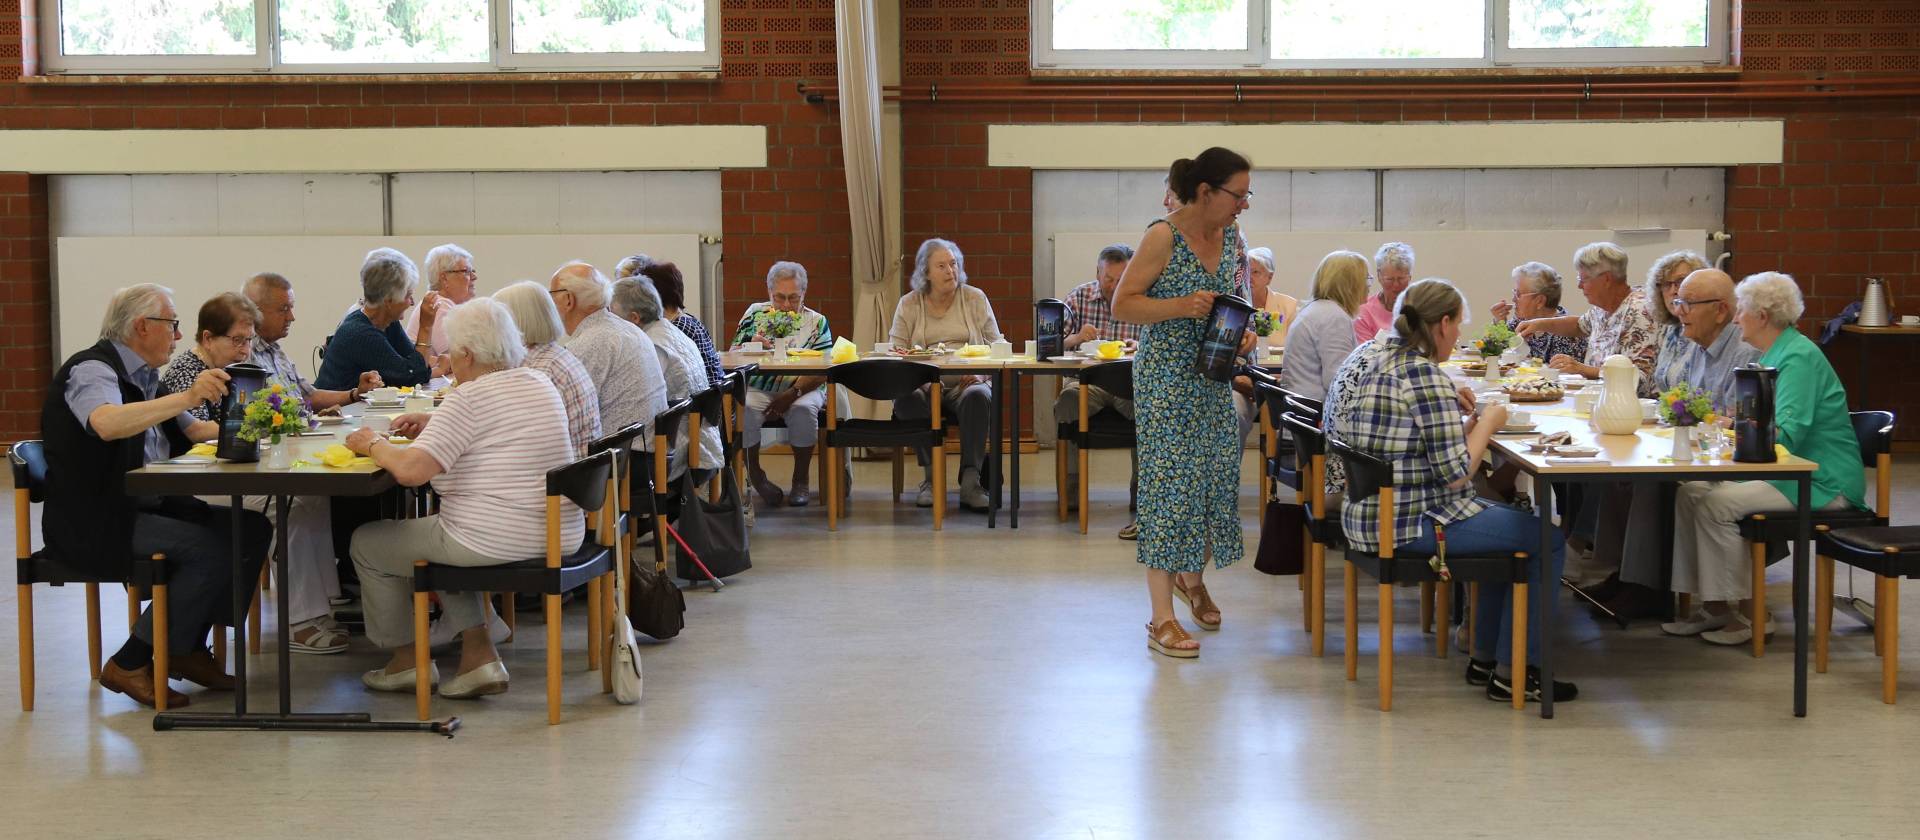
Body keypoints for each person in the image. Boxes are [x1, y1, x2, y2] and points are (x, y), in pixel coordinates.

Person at [1327, 279, 1575, 703]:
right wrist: (1488, 424)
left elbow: (1415, 445)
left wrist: (1466, 426)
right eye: (1458, 324)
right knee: (1546, 539)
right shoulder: (1425, 377)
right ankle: (1519, 671)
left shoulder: (1383, 359)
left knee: (1512, 532)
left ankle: (1487, 659)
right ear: (1442, 324)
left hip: (1372, 513)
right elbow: (1458, 474)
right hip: (1410, 523)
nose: (1459, 334)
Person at [43, 283, 271, 707]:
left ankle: (186, 647)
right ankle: (130, 661)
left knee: (252, 528)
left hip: (148, 505)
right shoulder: (93, 370)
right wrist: (188, 395)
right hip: (97, 518)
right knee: (209, 549)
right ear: (142, 326)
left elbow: (193, 429)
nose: (179, 335)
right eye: (172, 325)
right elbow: (107, 423)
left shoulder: (145, 376)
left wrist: (268, 427)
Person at [347, 298, 580, 699]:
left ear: (467, 354)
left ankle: (406, 662)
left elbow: (411, 472)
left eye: (451, 351)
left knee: (368, 544)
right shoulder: (537, 381)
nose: (447, 359)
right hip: (559, 533)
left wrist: (372, 444)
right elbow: (496, 426)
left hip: (495, 538)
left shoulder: (467, 398)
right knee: (445, 531)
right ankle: (478, 657)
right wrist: (435, 422)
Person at [1663, 272, 1865, 645]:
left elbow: (1787, 434)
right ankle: (1715, 607)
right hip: (1786, 471)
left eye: (1741, 310)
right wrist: (1733, 426)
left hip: (1822, 480)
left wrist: (1731, 425)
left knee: (1717, 503)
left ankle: (1750, 616)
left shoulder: (1798, 357)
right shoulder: (1775, 354)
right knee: (1689, 493)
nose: (1736, 317)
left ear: (1762, 315)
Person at [1113, 146, 1255, 659]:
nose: (1243, 205)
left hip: (1213, 375)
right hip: (1166, 380)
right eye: (1238, 195)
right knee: (1170, 489)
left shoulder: (1232, 236)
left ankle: (1191, 580)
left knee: (1214, 480)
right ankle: (1160, 619)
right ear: (1205, 192)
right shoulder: (1162, 236)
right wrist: (1180, 305)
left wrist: (1243, 333)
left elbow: (1238, 301)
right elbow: (1122, 304)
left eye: (1248, 196)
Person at [1587, 267, 1763, 620]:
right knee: (1616, 474)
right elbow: (1686, 404)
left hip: (1731, 461)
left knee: (1649, 482)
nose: (1678, 309)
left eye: (1687, 303)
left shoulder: (1744, 353)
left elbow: (1736, 423)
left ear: (1721, 310)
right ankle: (1625, 573)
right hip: (1697, 449)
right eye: (1677, 301)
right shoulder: (1698, 345)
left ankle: (1646, 588)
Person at [243, 271, 384, 654]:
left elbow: (306, 395)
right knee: (292, 504)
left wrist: (353, 393)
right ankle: (299, 619)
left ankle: (323, 603)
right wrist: (302, 418)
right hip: (252, 469)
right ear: (256, 311)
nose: (292, 316)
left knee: (315, 498)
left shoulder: (274, 350)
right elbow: (261, 416)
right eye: (284, 309)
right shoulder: (245, 355)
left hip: (280, 457)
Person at [890, 238, 1004, 513]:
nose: (950, 271)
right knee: (906, 397)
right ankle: (931, 478)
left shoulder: (975, 298)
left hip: (966, 384)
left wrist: (981, 375)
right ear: (925, 272)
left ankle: (971, 481)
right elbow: (895, 351)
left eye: (953, 264)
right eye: (941, 266)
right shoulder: (909, 304)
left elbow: (999, 346)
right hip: (925, 385)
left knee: (979, 395)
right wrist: (921, 380)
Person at [730, 261, 836, 508]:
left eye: (793, 298)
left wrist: (791, 394)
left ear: (804, 294)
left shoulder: (817, 322)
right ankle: (756, 475)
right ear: (769, 292)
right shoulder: (754, 314)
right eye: (779, 297)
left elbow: (824, 370)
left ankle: (801, 479)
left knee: (803, 410)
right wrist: (751, 344)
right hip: (759, 386)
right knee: (747, 410)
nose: (786, 305)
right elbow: (733, 354)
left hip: (802, 387)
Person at [1055, 244, 1143, 539]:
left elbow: (1160, 343)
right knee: (1067, 401)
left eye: (1122, 278)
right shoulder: (1078, 297)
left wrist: (1140, 346)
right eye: (1109, 279)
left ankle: (1142, 490)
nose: (1115, 285)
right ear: (1097, 273)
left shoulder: (1142, 299)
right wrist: (1076, 338)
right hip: (1086, 384)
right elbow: (1048, 343)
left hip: (1129, 385)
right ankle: (1071, 487)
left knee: (1152, 408)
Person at [611, 276, 724, 477]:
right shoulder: (670, 331)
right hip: (701, 441)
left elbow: (639, 404)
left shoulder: (652, 346)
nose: (611, 322)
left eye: (613, 314)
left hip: (678, 451)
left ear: (635, 318)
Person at [550, 260, 669, 451]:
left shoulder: (591, 343)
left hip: (624, 460)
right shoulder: (627, 328)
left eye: (551, 294)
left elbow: (564, 418)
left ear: (568, 299)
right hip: (648, 453)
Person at [1517, 242, 1658, 396]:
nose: (1579, 285)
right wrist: (1538, 324)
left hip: (1629, 405)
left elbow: (1639, 380)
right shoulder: (1603, 308)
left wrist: (1582, 369)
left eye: (1584, 279)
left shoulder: (1640, 312)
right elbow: (1579, 326)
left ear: (1606, 279)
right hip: (1601, 398)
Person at [493, 280, 602, 457]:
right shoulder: (556, 355)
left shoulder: (535, 371)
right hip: (584, 466)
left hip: (562, 469)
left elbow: (511, 435)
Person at [315, 247, 440, 391]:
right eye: (408, 295)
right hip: (339, 405)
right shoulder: (361, 334)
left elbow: (416, 366)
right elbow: (411, 377)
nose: (412, 302)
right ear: (388, 301)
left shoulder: (388, 323)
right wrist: (425, 326)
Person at [1279, 250, 1369, 402]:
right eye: (1366, 279)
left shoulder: (1317, 309)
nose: (1368, 285)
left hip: (1301, 404)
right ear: (1350, 284)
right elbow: (1339, 381)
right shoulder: (1334, 317)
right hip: (1316, 408)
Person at [160, 292, 261, 420]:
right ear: (208, 339)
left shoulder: (224, 369)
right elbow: (199, 428)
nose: (246, 351)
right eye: (237, 340)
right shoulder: (186, 371)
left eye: (249, 339)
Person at [642, 261, 725, 388]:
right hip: (712, 394)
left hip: (705, 397)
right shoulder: (688, 320)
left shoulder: (676, 328)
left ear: (653, 295)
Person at [1489, 262, 1585, 363]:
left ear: (1539, 301)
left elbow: (1560, 371)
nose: (1513, 299)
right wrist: (1499, 322)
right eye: (1514, 292)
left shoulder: (1566, 333)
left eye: (1518, 294)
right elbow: (1493, 354)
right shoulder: (1521, 320)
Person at [1646, 250, 1711, 393]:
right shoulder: (1671, 329)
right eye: (1666, 284)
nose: (1673, 291)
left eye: (1681, 282)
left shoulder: (1706, 330)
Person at [402, 243, 478, 357]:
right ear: (444, 278)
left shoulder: (442, 303)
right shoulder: (439, 306)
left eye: (473, 271)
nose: (474, 277)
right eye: (466, 271)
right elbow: (458, 357)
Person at [1351, 242, 1414, 343]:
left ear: (1410, 276)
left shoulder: (1420, 308)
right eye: (1389, 279)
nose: (1396, 285)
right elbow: (1366, 352)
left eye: (1401, 279)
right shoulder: (1364, 312)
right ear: (1379, 276)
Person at [1246, 246, 1298, 348]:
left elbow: (1296, 348)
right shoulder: (1235, 305)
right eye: (1246, 271)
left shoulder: (1288, 307)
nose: (1249, 278)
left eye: (1255, 272)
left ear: (1269, 277)